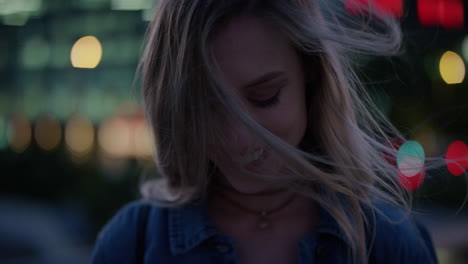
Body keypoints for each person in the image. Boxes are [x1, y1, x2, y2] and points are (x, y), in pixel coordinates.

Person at [92, 0, 438, 263]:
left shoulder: (389, 242)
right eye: (209, 110)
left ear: (311, 73)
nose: (238, 139)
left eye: (264, 98)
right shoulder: (132, 243)